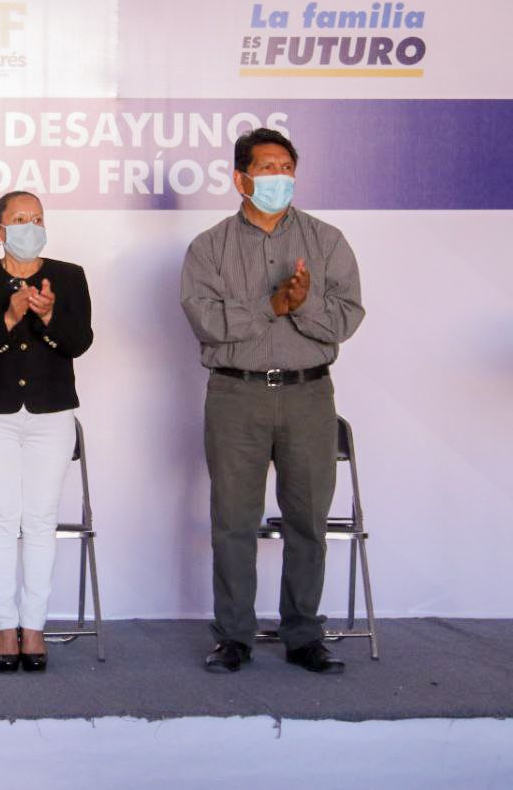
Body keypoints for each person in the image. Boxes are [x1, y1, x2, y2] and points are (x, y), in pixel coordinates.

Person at [180, 127, 364, 675]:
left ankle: (303, 635)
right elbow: (207, 323)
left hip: (310, 394)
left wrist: (300, 306)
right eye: (266, 168)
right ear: (240, 179)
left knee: (307, 520)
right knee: (234, 520)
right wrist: (272, 304)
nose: (278, 178)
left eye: (286, 167)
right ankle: (233, 637)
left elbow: (348, 315)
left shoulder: (327, 240)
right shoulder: (209, 247)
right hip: (236, 394)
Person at [0, 191, 94, 672]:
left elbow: (80, 342)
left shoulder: (69, 277)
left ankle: (33, 627)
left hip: (51, 415)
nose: (29, 226)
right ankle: (2, 626)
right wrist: (12, 316)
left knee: (38, 520)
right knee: (1, 518)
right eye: (19, 220)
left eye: (36, 218)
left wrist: (49, 316)